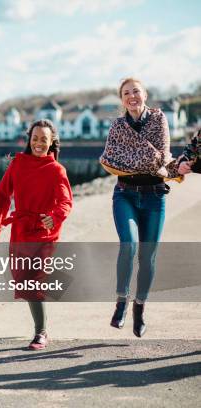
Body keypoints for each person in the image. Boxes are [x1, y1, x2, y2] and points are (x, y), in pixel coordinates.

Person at [100, 77, 183, 337]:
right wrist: (150, 160)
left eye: (136, 91)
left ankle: (139, 308)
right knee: (129, 245)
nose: (131, 96)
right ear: (121, 99)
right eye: (126, 93)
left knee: (147, 257)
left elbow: (161, 154)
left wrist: (140, 159)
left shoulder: (159, 120)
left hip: (154, 196)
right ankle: (121, 302)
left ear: (145, 94)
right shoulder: (117, 125)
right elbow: (110, 157)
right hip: (124, 194)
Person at [0, 119, 73, 350]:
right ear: (29, 140)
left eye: (43, 139)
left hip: (46, 232)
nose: (38, 143)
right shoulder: (18, 164)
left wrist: (54, 216)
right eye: (34, 138)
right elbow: (3, 196)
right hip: (21, 230)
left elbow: (66, 201)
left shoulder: (57, 170)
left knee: (34, 282)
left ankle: (41, 332)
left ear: (51, 142)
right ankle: (50, 289)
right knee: (22, 281)